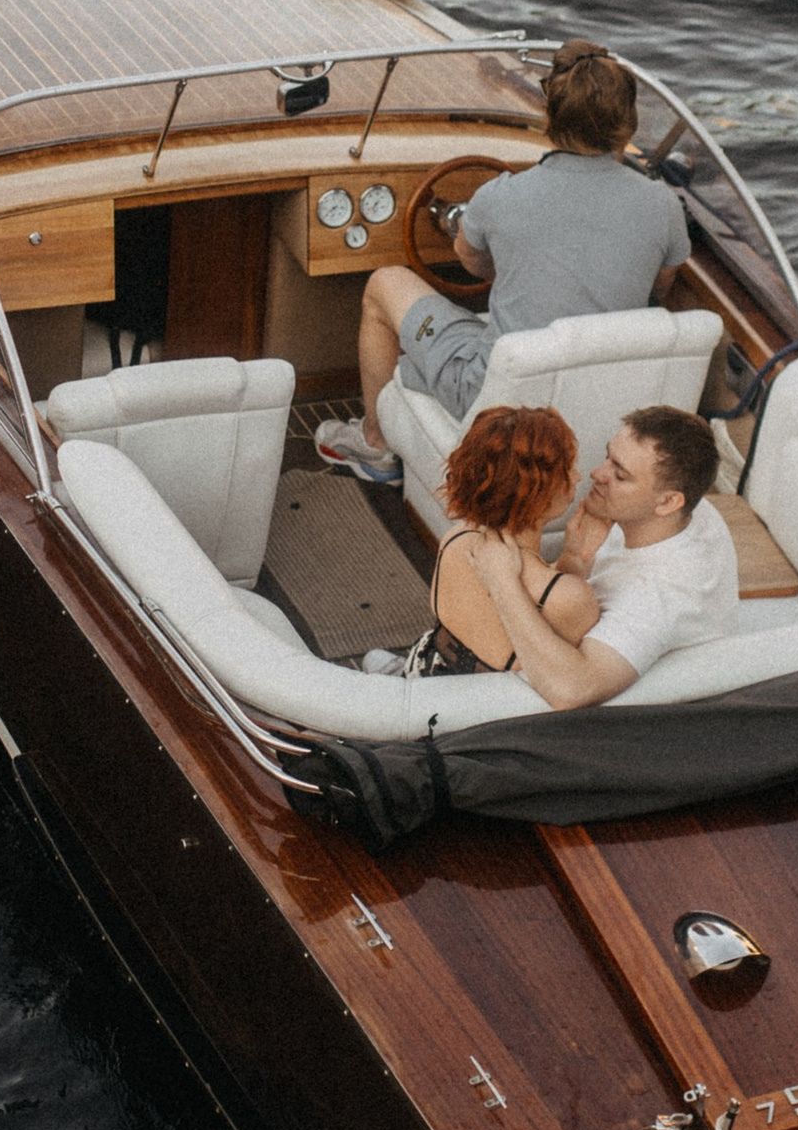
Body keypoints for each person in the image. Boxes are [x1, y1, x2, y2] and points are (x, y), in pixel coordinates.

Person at [313, 41, 688, 487]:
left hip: (493, 393)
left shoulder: (500, 196)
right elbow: (661, 287)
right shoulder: (663, 205)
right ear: (627, 123)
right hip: (601, 389)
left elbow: (471, 263)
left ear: (549, 117)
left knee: (384, 284)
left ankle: (375, 445)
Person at [465, 408, 735, 709]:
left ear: (668, 502)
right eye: (608, 456)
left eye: (619, 474)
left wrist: (502, 582)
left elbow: (572, 690)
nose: (596, 474)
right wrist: (574, 560)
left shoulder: (655, 599)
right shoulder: (683, 512)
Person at [373, 405, 598, 678]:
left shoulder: (456, 540)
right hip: (481, 713)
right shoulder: (570, 598)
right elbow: (568, 674)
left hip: (424, 672)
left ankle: (392, 676)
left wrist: (572, 557)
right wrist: (574, 567)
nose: (578, 476)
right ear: (537, 489)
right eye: (568, 468)